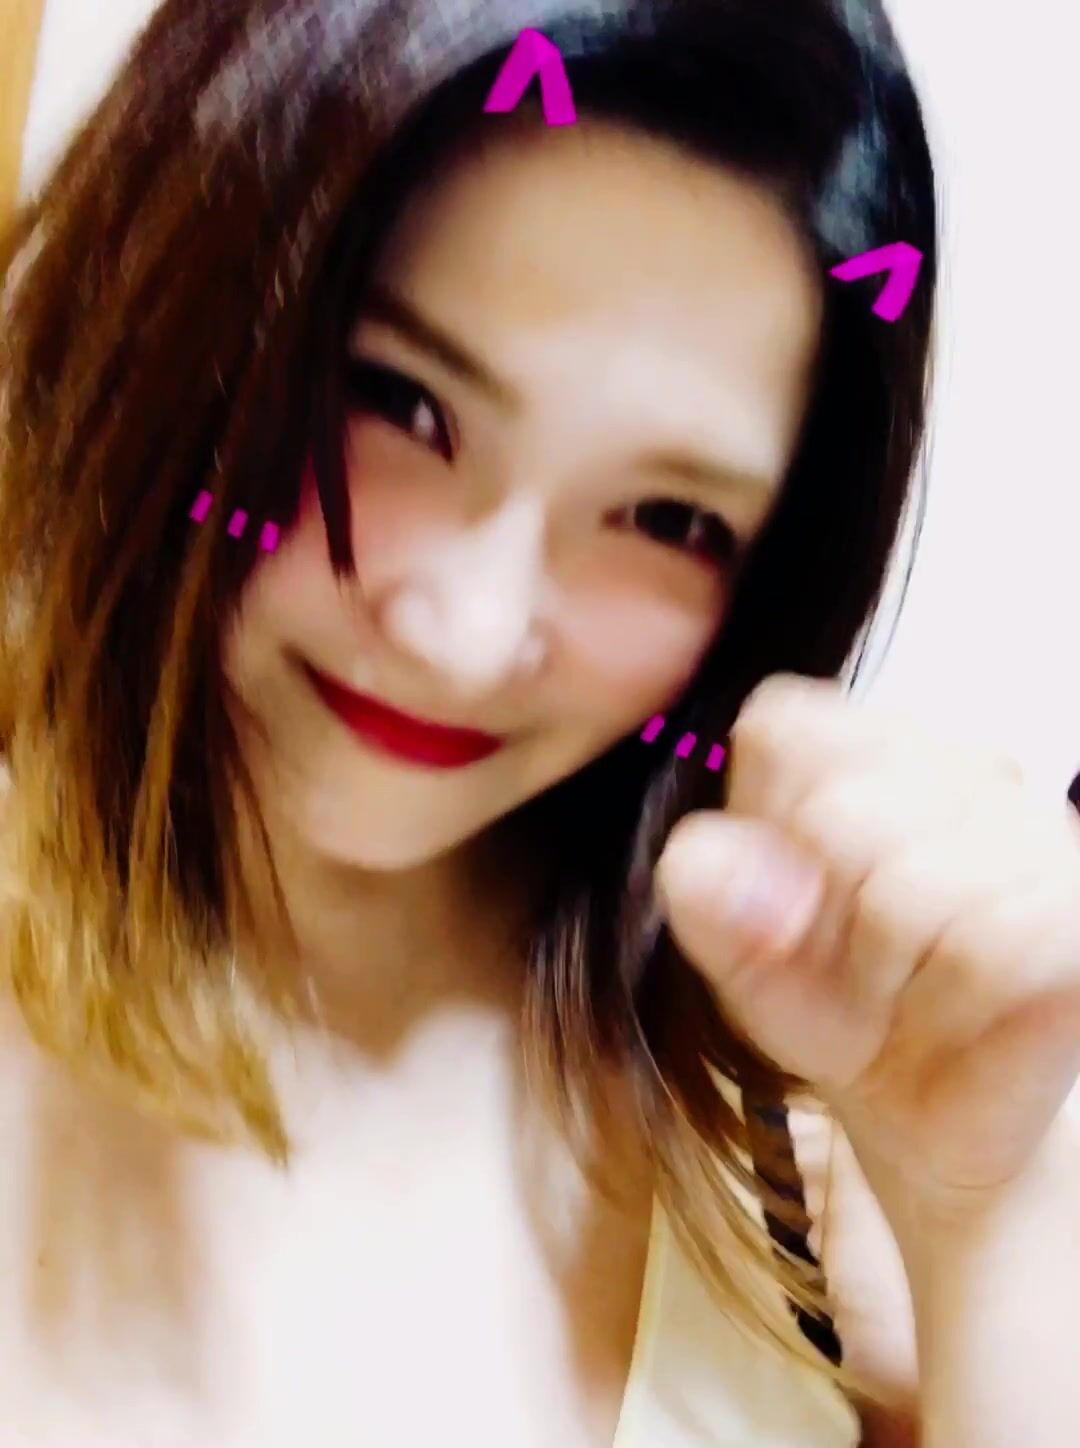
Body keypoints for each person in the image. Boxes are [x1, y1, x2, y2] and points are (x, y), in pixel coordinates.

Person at [1, 1, 1079, 1444]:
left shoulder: (796, 1166)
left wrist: (989, 1218)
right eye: (398, 401)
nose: (467, 631)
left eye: (666, 517)